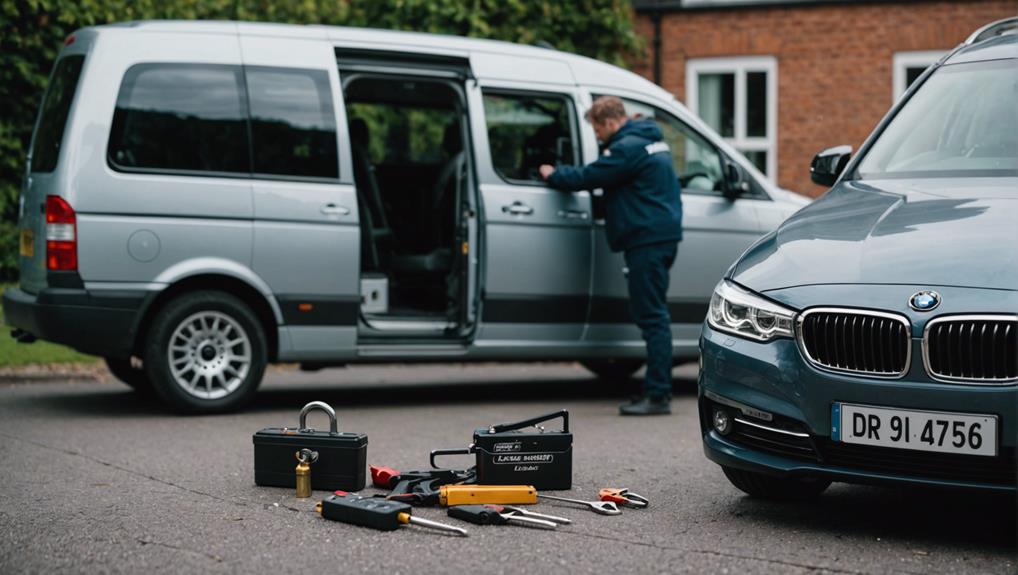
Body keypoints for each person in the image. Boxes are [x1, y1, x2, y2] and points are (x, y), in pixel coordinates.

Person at [539, 96, 682, 416]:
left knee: (653, 318)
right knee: (654, 315)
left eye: (597, 130)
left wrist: (552, 174)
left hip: (646, 241)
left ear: (609, 123)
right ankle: (657, 391)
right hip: (659, 237)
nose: (598, 137)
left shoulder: (626, 148)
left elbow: (589, 177)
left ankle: (658, 395)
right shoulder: (650, 140)